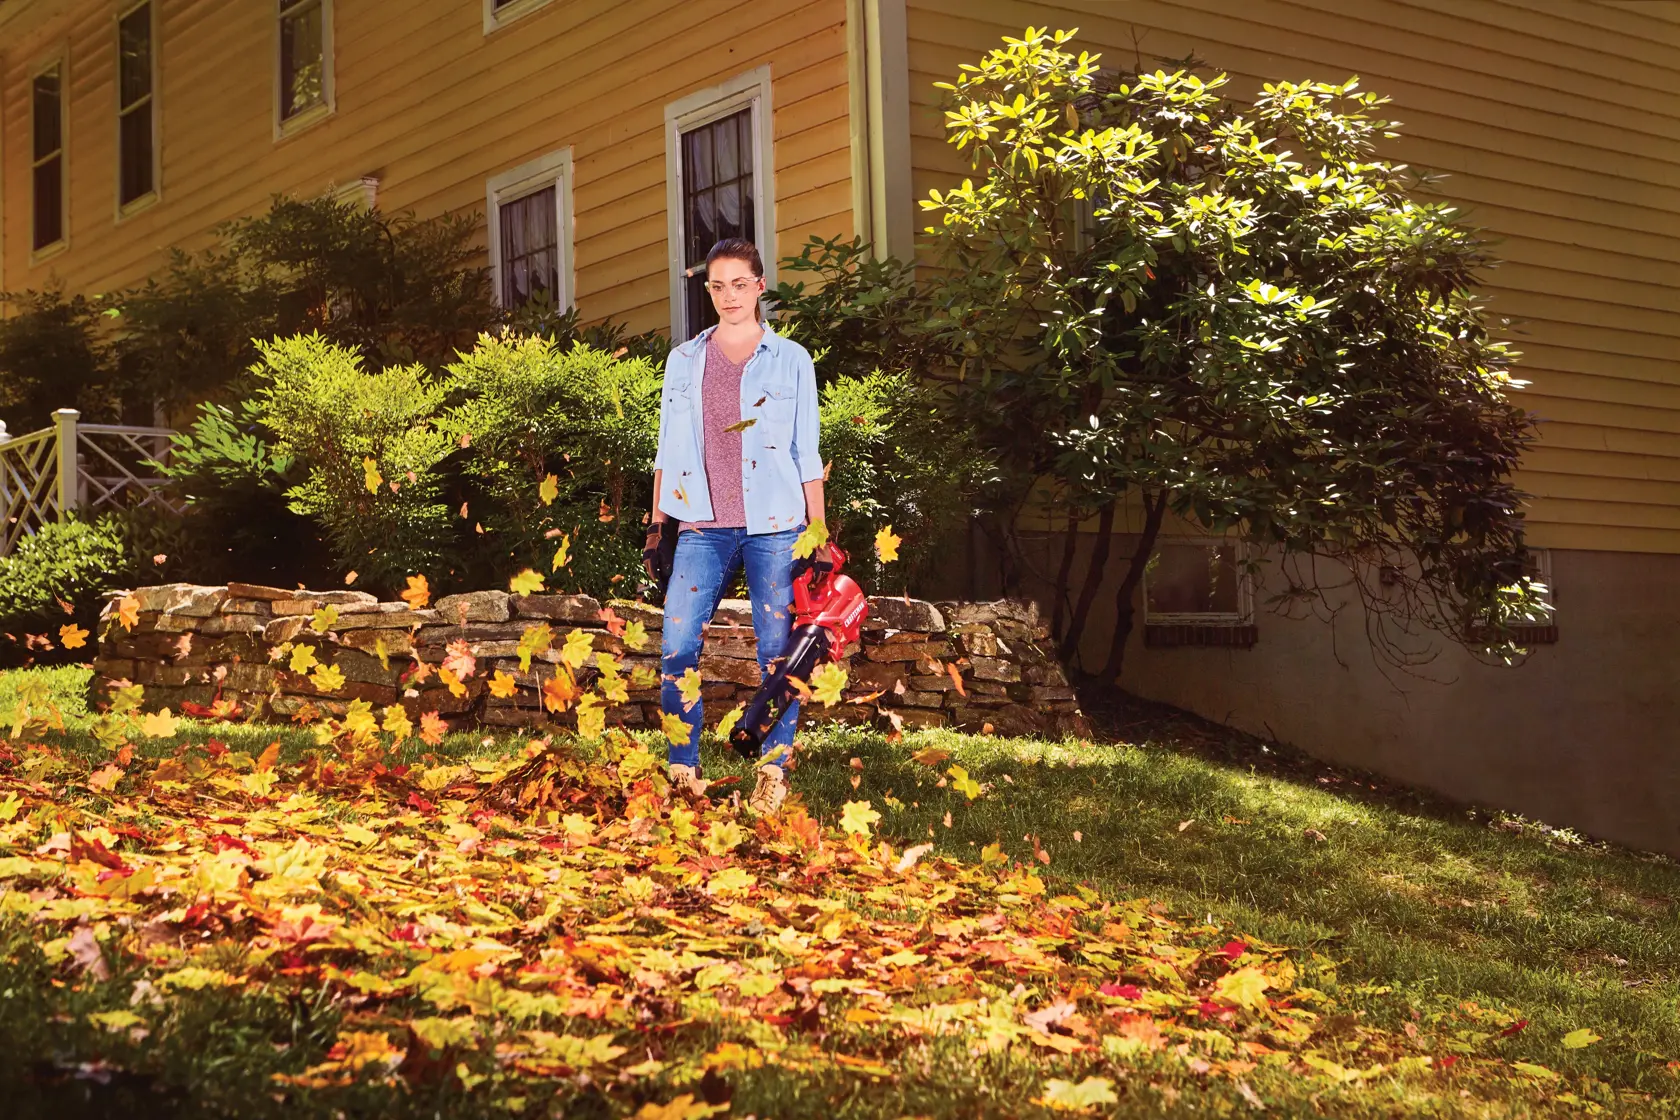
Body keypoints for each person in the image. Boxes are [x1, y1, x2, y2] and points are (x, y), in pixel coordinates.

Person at [644, 238, 833, 815]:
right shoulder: (684, 360)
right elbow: (668, 448)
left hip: (776, 525)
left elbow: (806, 451)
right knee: (677, 647)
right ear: (709, 291)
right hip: (702, 524)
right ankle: (682, 768)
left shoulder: (791, 360)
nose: (729, 296)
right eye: (717, 286)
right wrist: (657, 525)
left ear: (759, 287)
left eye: (739, 284)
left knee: (781, 658)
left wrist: (818, 534)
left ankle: (773, 769)